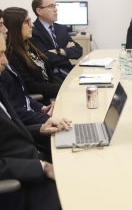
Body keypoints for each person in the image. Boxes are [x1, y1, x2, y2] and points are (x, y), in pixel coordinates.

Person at [0, 30, 70, 210]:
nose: (5, 61)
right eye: (0, 55)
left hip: (30, 158)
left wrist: (41, 128)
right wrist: (42, 167)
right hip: (19, 184)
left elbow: (11, 131)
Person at [3, 7, 60, 105]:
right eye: (27, 22)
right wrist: (60, 88)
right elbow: (29, 85)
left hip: (52, 94)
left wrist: (64, 85)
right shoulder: (11, 53)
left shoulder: (29, 43)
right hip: (41, 102)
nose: (32, 25)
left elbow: (47, 71)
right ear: (15, 25)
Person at [31, 0, 82, 83]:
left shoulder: (61, 28)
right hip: (50, 78)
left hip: (68, 73)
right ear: (39, 11)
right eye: (51, 6)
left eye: (55, 5)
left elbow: (78, 50)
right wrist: (67, 53)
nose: (56, 9)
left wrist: (59, 51)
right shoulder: (33, 31)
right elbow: (46, 58)